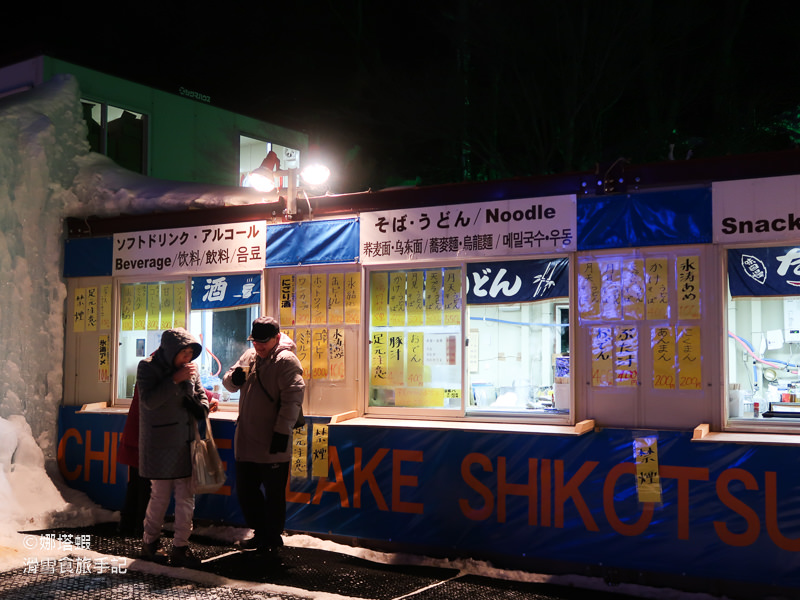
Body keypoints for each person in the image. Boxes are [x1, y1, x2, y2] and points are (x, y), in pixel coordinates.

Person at [222, 316, 305, 555]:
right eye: (255, 341)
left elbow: (293, 400)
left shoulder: (287, 361)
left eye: (264, 341)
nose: (259, 346)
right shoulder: (249, 356)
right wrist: (233, 379)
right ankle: (260, 532)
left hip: (273, 440)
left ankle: (271, 538)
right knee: (246, 492)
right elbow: (228, 382)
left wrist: (282, 432)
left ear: (277, 337)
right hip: (247, 439)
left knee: (274, 495)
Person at [137, 328, 210, 568]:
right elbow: (148, 401)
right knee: (159, 496)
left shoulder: (191, 370)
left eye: (191, 353)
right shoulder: (147, 367)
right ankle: (150, 542)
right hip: (159, 443)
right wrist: (174, 380)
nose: (187, 358)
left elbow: (201, 397)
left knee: (186, 497)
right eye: (183, 353)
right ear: (170, 351)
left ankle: (181, 547)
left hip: (187, 441)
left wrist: (201, 407)